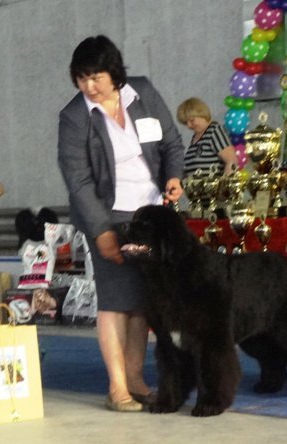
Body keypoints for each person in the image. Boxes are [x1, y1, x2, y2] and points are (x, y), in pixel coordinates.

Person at [58, 35, 184, 412]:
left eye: (95, 77)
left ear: (114, 72)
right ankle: (117, 387)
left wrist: (174, 178)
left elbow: (172, 143)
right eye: (80, 78)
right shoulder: (75, 117)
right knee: (114, 302)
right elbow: (77, 181)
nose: (88, 86)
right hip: (108, 216)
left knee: (142, 303)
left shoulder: (142, 93)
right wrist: (101, 232)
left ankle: (136, 377)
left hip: (151, 217)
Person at [176, 97, 238, 177]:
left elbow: (231, 161)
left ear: (201, 114)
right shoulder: (195, 137)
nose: (189, 125)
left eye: (192, 120)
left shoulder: (214, 130)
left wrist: (224, 186)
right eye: (185, 123)